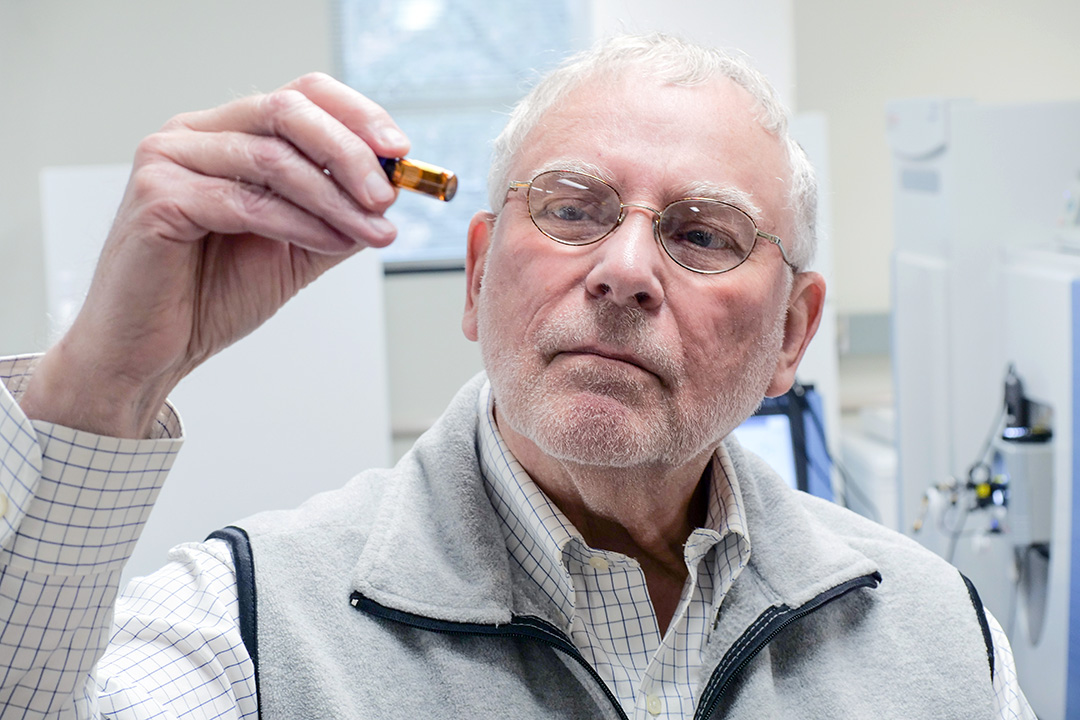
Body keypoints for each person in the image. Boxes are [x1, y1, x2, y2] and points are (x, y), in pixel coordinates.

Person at [0, 33, 1033, 719]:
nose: (625, 271)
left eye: (702, 232)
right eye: (573, 208)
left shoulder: (942, 640)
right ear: (481, 273)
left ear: (791, 338)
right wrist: (103, 385)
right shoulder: (252, 629)